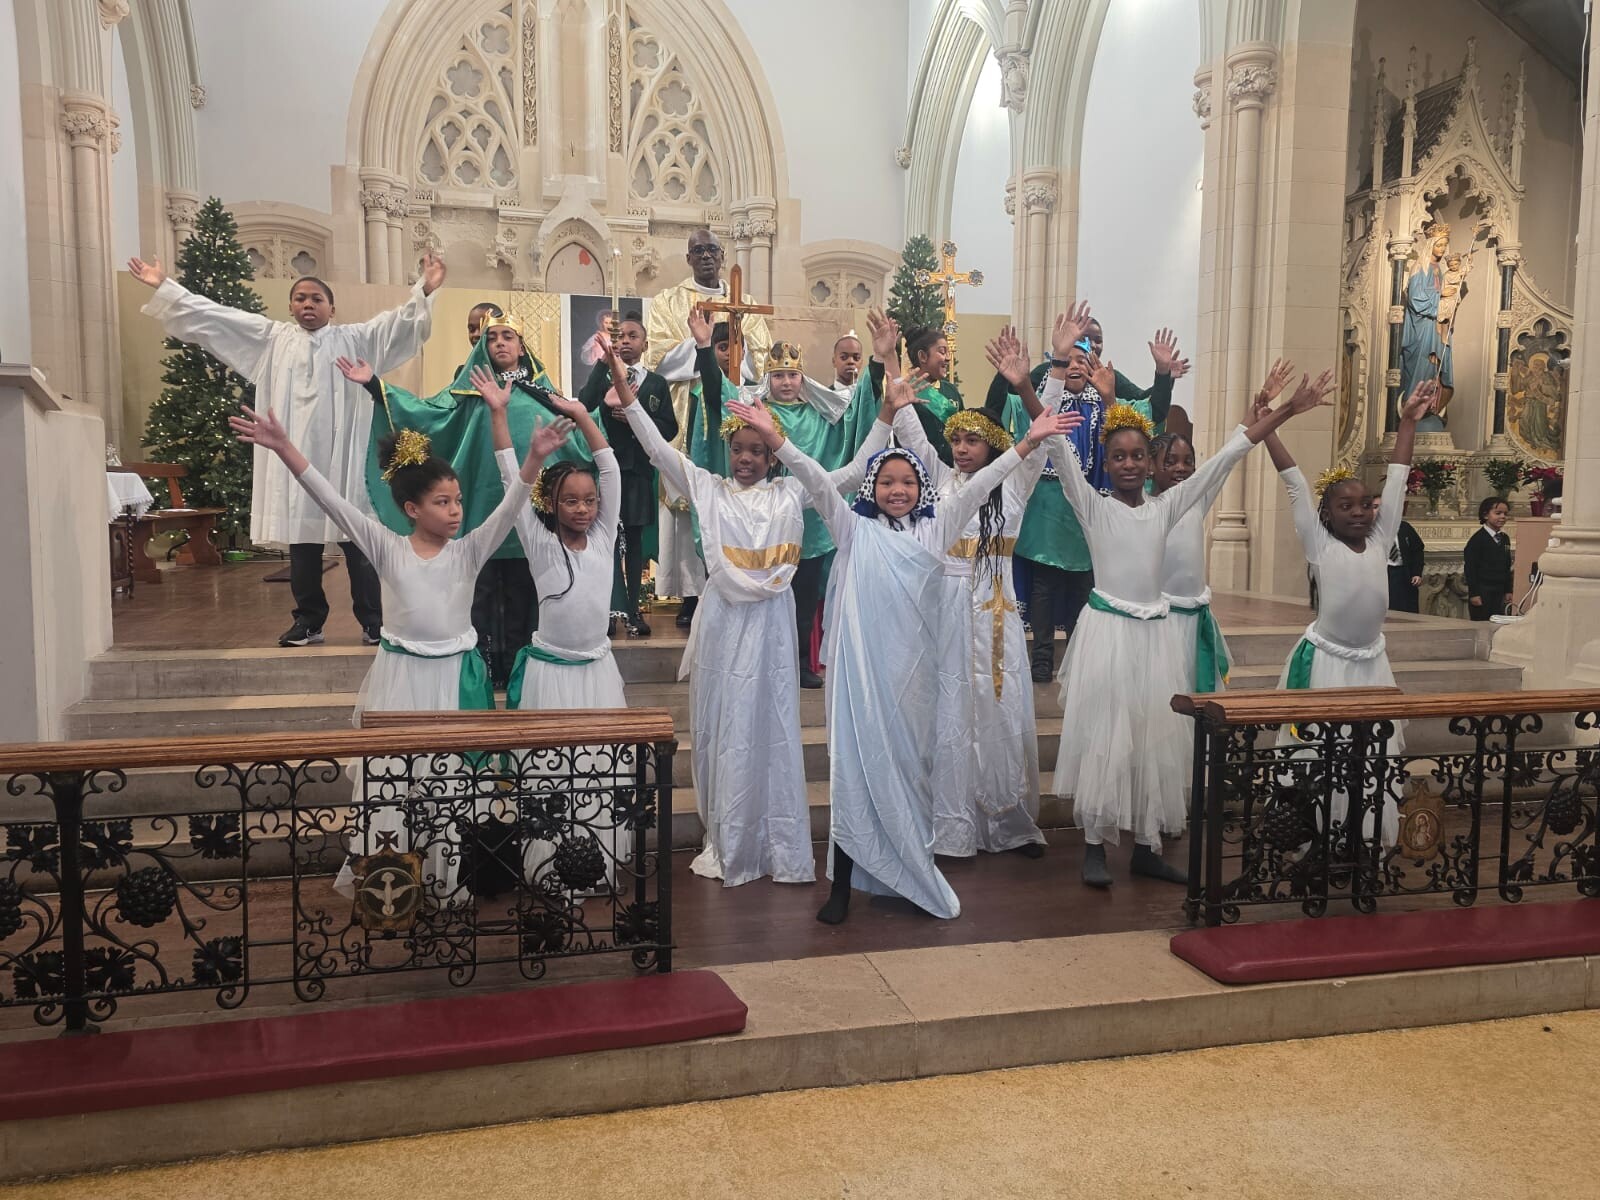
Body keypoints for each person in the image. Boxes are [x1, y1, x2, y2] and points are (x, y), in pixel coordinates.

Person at [728, 388, 1081, 925]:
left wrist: (1027, 444)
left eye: (909, 482)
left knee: (912, 778)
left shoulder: (938, 527)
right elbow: (816, 481)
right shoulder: (854, 528)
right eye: (888, 481)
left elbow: (982, 483)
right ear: (872, 487)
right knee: (854, 777)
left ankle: (905, 873)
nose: (898, 490)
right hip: (861, 681)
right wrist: (776, 439)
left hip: (914, 682)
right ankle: (842, 885)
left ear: (923, 489)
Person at [228, 372, 571, 900]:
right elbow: (330, 500)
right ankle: (391, 889)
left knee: (451, 787)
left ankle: (448, 881)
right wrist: (284, 447)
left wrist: (534, 460)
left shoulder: (469, 551)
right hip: (401, 681)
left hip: (455, 681)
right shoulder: (387, 547)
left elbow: (510, 508)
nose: (455, 511)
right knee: (394, 781)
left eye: (457, 501)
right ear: (412, 509)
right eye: (442, 502)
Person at [1049, 359, 1334, 889]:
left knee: (1154, 738)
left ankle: (1146, 847)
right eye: (1118, 456)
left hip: (1154, 637)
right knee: (1106, 738)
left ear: (1150, 464)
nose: (1129, 464)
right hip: (1108, 637)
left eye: (1138, 455)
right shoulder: (1093, 506)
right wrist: (1037, 381)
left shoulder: (1166, 508)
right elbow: (1055, 447)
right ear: (1105, 464)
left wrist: (1289, 412)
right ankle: (1094, 846)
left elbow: (1229, 455)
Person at [605, 329, 875, 889]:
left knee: (770, 724)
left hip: (772, 624)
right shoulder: (708, 488)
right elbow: (657, 449)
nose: (747, 459)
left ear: (772, 455)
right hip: (725, 623)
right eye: (739, 449)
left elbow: (850, 475)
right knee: (725, 725)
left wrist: (888, 415)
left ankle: (773, 838)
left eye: (758, 450)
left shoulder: (790, 493)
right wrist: (626, 394)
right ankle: (730, 837)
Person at [130, 252, 444, 647]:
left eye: (316, 298)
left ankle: (372, 621)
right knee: (303, 542)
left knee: (357, 540)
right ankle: (309, 621)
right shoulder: (271, 339)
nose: (308, 304)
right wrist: (166, 286)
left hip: (343, 458)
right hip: (294, 459)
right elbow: (217, 317)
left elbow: (399, 324)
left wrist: (425, 288)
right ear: (291, 306)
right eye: (300, 298)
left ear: (332, 308)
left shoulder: (356, 339)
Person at [337, 313, 589, 686]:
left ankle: (521, 671)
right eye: (492, 337)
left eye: (508, 336)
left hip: (531, 518)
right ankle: (483, 669)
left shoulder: (544, 395)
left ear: (522, 346)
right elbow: (426, 415)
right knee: (480, 594)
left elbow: (579, 432)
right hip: (480, 513)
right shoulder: (468, 394)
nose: (500, 343)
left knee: (526, 592)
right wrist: (376, 385)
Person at [886, 336, 1050, 860]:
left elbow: (1043, 438)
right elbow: (909, 427)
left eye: (972, 440)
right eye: (955, 439)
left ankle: (1008, 822)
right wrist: (888, 359)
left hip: (994, 608)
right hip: (945, 608)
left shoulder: (1014, 485)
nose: (960, 448)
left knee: (999, 708)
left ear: (994, 445)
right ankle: (952, 823)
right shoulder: (939, 481)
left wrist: (1029, 384)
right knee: (950, 710)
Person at [1262, 379, 1441, 845]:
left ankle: (1361, 839)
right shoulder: (1319, 545)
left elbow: (1397, 478)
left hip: (1372, 665)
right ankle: (1316, 839)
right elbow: (1294, 482)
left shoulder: (1382, 541)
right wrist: (1268, 427)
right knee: (1319, 755)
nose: (1359, 512)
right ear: (1327, 515)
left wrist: (1407, 422)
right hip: (1326, 663)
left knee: (1370, 757)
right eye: (1346, 506)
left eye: (1364, 505)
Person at [687, 309, 882, 687]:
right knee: (763, 596)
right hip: (763, 523)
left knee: (803, 599)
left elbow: (860, 409)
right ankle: (756, 661)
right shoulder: (754, 412)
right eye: (778, 375)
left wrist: (876, 362)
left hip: (809, 523)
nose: (786, 382)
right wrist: (704, 348)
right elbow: (717, 395)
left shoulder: (824, 413)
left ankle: (800, 663)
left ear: (802, 377)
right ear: (768, 379)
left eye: (793, 375)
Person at [644, 228, 773, 629]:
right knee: (689, 505)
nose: (705, 256)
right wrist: (703, 350)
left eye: (712, 250)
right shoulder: (668, 301)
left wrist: (731, 357)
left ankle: (735, 577)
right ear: (688, 258)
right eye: (697, 250)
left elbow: (761, 362)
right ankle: (689, 593)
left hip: (735, 413)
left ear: (722, 256)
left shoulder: (746, 304)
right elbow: (658, 359)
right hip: (687, 415)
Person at [980, 307, 1102, 681]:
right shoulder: (1040, 396)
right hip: (1043, 506)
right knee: (1043, 584)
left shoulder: (1101, 402)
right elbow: (1001, 409)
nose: (1076, 366)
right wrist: (1011, 379)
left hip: (1081, 508)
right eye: (1069, 360)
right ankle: (1042, 657)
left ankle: (1081, 659)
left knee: (1083, 586)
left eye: (1083, 360)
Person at [578, 311, 676, 637]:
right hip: (606, 472)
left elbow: (669, 428)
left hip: (638, 474)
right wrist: (604, 363)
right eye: (620, 337)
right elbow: (584, 403)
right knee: (604, 542)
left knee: (634, 545)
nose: (626, 342)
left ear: (645, 345)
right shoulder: (605, 375)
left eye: (633, 337)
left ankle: (633, 610)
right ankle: (606, 610)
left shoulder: (656, 383)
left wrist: (637, 416)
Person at [1463, 497, 1513, 621]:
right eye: (1498, 513)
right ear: (1485, 515)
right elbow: (1470, 568)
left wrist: (1508, 590)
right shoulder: (1478, 540)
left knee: (1497, 622)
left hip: (1499, 590)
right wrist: (1474, 593)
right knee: (1482, 623)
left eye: (1505, 514)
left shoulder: (1504, 538)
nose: (1503, 517)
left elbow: (1507, 565)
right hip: (1483, 590)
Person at [1385, 498, 1425, 613]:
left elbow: (1417, 550)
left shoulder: (1405, 527)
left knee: (1406, 607)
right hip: (1385, 573)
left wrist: (1417, 573)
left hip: (1404, 572)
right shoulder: (1375, 530)